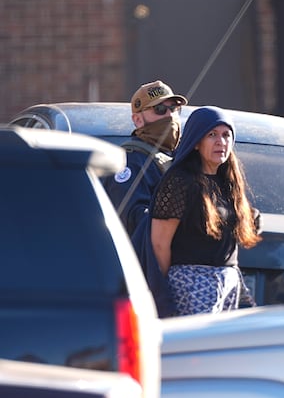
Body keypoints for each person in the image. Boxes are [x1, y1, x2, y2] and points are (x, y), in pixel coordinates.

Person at [150, 106, 261, 316]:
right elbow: (159, 243)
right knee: (196, 347)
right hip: (192, 282)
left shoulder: (228, 180)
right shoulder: (179, 182)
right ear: (196, 142)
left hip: (228, 281)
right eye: (212, 135)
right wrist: (161, 292)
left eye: (226, 135)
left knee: (221, 349)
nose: (221, 142)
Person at [103, 80, 188, 236]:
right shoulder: (131, 161)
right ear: (137, 120)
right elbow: (132, 219)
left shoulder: (184, 155)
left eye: (174, 108)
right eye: (160, 109)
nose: (170, 115)